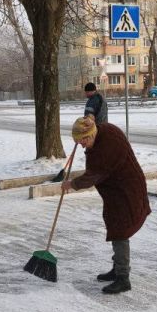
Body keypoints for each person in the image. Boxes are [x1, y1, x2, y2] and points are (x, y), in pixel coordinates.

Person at [62, 115, 150, 294]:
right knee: (114, 225)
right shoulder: (104, 131)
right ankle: (117, 268)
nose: (81, 145)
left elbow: (93, 175)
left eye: (82, 141)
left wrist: (71, 184)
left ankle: (123, 278)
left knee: (120, 231)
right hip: (116, 191)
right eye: (77, 141)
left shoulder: (105, 148)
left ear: (91, 134)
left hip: (127, 192)